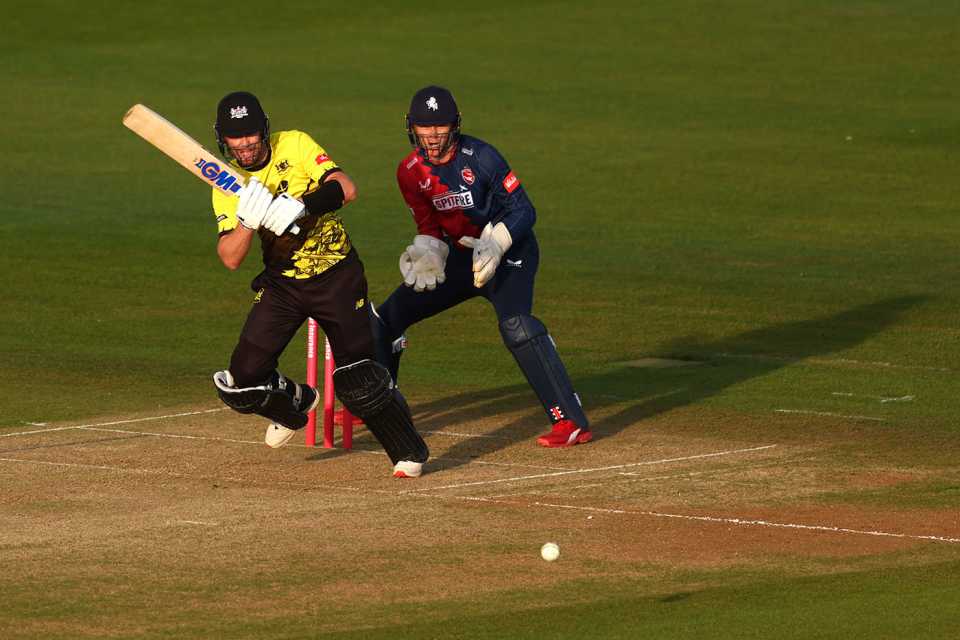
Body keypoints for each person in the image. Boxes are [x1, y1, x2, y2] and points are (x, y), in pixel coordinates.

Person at [208, 91, 429, 478]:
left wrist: (303, 205)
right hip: (284, 285)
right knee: (240, 380)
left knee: (357, 379)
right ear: (221, 138)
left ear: (265, 129)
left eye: (250, 134)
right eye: (234, 136)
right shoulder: (228, 183)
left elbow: (346, 187)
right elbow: (230, 257)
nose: (243, 144)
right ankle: (295, 403)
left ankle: (407, 451)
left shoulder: (294, 143)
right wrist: (247, 221)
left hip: (337, 276)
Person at [371, 86, 591, 447]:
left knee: (517, 327)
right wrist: (429, 253)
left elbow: (524, 211)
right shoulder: (409, 172)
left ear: (454, 125)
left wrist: (498, 242)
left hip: (509, 254)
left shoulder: (482, 157)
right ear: (411, 127)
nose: (433, 135)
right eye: (425, 127)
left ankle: (571, 421)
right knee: (383, 320)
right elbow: (429, 227)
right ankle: (384, 412)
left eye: (440, 126)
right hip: (461, 258)